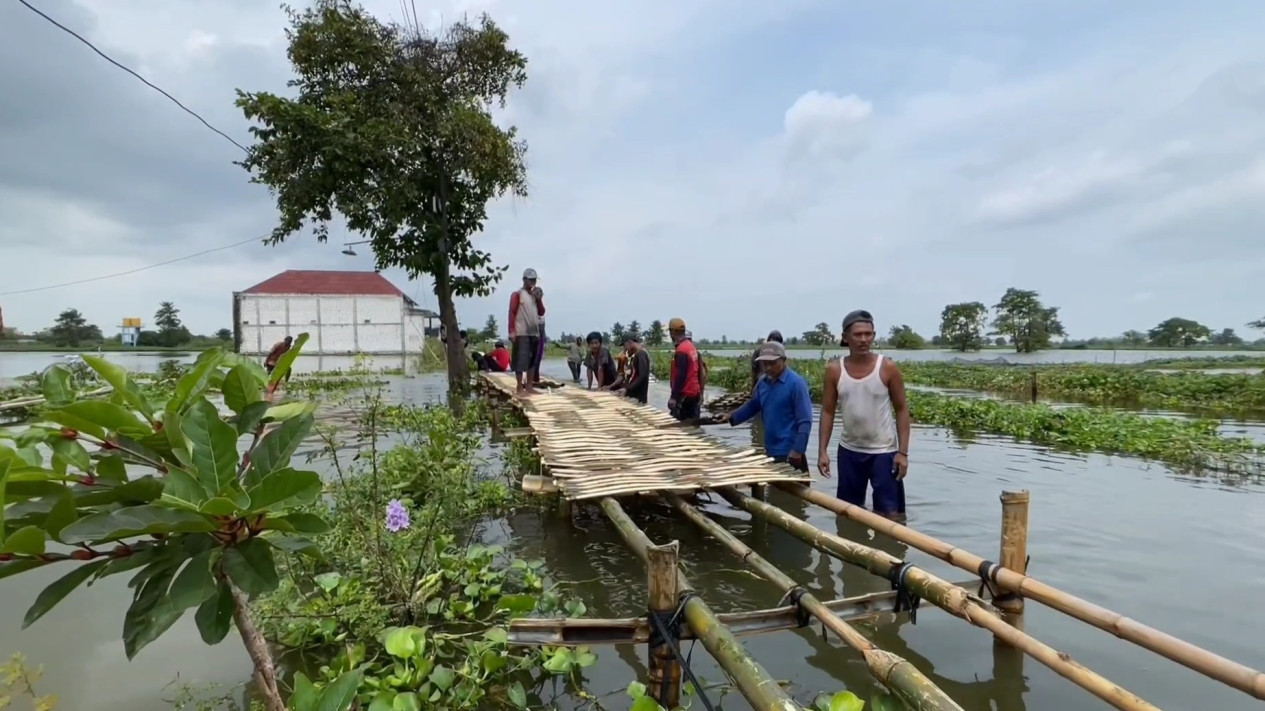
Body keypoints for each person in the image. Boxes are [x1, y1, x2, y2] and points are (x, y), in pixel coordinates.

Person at [816, 309, 911, 520]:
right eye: (858, 334)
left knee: (891, 516)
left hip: (884, 452)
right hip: (850, 451)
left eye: (868, 334)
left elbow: (902, 409)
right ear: (845, 337)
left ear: (874, 336)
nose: (864, 339)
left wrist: (903, 453)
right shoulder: (835, 370)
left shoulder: (887, 368)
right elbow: (828, 411)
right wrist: (822, 451)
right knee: (848, 513)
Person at [718, 341, 812, 471]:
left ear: (784, 360)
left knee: (795, 483)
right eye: (765, 364)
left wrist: (798, 450)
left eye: (772, 363)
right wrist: (731, 416)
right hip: (771, 449)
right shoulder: (763, 382)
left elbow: (805, 421)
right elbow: (753, 405)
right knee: (773, 483)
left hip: (790, 452)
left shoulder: (796, 384)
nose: (768, 368)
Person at [508, 268, 546, 394]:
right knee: (520, 361)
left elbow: (541, 312)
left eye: (534, 280)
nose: (532, 282)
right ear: (524, 280)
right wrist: (512, 331)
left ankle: (529, 386)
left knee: (532, 361)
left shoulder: (535, 296)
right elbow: (512, 313)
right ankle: (519, 386)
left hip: (534, 332)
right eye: (530, 280)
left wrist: (539, 299)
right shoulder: (517, 294)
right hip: (521, 332)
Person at [666, 318, 703, 421]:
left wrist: (673, 397)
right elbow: (698, 372)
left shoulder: (681, 350)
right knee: (692, 423)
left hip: (684, 394)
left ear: (673, 332)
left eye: (670, 331)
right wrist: (701, 392)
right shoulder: (691, 347)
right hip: (694, 393)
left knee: (677, 423)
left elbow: (681, 375)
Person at [610, 335, 651, 404]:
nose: (624, 348)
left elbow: (642, 375)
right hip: (630, 395)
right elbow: (625, 375)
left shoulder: (641, 353)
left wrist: (627, 389)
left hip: (638, 397)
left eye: (624, 345)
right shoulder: (632, 355)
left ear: (629, 342)